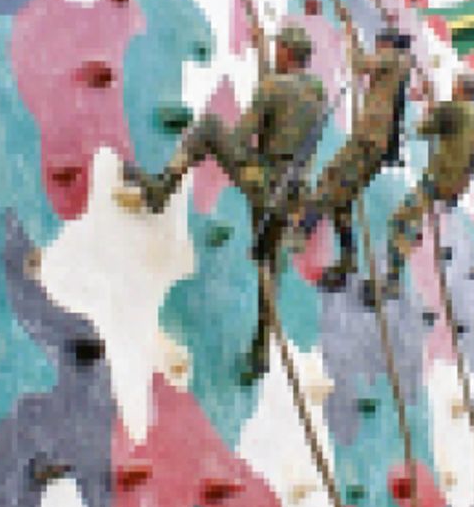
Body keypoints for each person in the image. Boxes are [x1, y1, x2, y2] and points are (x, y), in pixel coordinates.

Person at [124, 23, 327, 378]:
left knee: (209, 128)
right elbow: (288, 112)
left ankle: (161, 188)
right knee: (268, 267)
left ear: (288, 53)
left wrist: (256, 106)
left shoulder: (273, 87)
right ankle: (260, 350)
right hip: (291, 197)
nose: (275, 52)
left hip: (263, 182)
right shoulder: (318, 96)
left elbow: (242, 135)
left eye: (279, 48)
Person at [291, 28, 414, 289]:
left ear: (386, 44)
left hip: (368, 140)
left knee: (330, 179)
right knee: (342, 200)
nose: (377, 47)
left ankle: (302, 231)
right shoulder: (399, 64)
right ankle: (347, 261)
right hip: (374, 142)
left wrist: (350, 40)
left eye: (378, 43)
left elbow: (359, 64)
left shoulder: (393, 57)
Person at [385, 72, 474, 292]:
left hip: (437, 179)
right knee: (412, 218)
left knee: (399, 221)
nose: (452, 89)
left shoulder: (452, 109)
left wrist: (429, 106)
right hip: (455, 184)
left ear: (460, 89)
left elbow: (421, 130)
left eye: (455, 86)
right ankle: (412, 239)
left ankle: (392, 280)